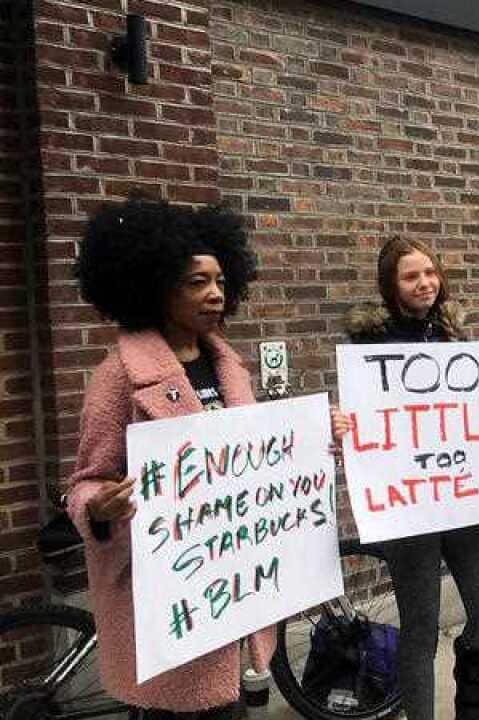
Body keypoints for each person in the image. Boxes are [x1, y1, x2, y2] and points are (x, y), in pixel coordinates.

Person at [66, 198, 315, 718]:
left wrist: (314, 440)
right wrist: (99, 509)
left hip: (229, 589)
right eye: (195, 282)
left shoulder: (230, 368)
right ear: (154, 287)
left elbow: (253, 457)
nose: (214, 294)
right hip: (165, 601)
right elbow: (86, 482)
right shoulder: (118, 378)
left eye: (221, 281)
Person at [339, 237, 479, 720]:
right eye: (411, 276)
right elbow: (362, 417)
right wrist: (343, 423)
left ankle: (473, 708)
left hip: (459, 496)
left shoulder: (453, 338)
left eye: (430, 273)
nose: (425, 283)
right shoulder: (369, 349)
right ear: (391, 286)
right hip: (408, 506)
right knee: (421, 627)